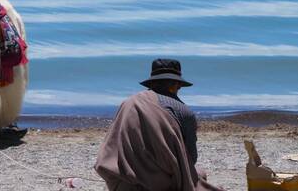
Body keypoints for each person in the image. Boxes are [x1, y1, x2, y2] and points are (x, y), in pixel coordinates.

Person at [95, 59, 223, 191]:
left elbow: (111, 147)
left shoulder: (129, 103)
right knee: (199, 174)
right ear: (177, 85)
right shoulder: (183, 111)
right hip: (161, 185)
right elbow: (191, 157)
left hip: (123, 182)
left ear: (151, 83)